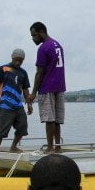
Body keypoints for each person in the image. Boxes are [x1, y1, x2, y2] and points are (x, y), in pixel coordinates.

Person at [28, 22, 66, 153]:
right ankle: (58, 147)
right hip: (59, 86)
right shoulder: (58, 45)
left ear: (41, 32)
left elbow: (40, 72)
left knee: (49, 119)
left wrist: (33, 93)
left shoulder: (43, 48)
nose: (33, 39)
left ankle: (50, 148)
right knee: (57, 120)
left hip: (47, 86)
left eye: (34, 35)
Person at [0, 48, 32, 152]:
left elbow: (25, 89)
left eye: (20, 61)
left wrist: (29, 104)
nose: (18, 62)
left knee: (23, 126)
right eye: (16, 60)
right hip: (5, 104)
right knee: (2, 128)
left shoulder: (23, 73)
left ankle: (13, 146)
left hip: (18, 105)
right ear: (12, 58)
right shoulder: (3, 69)